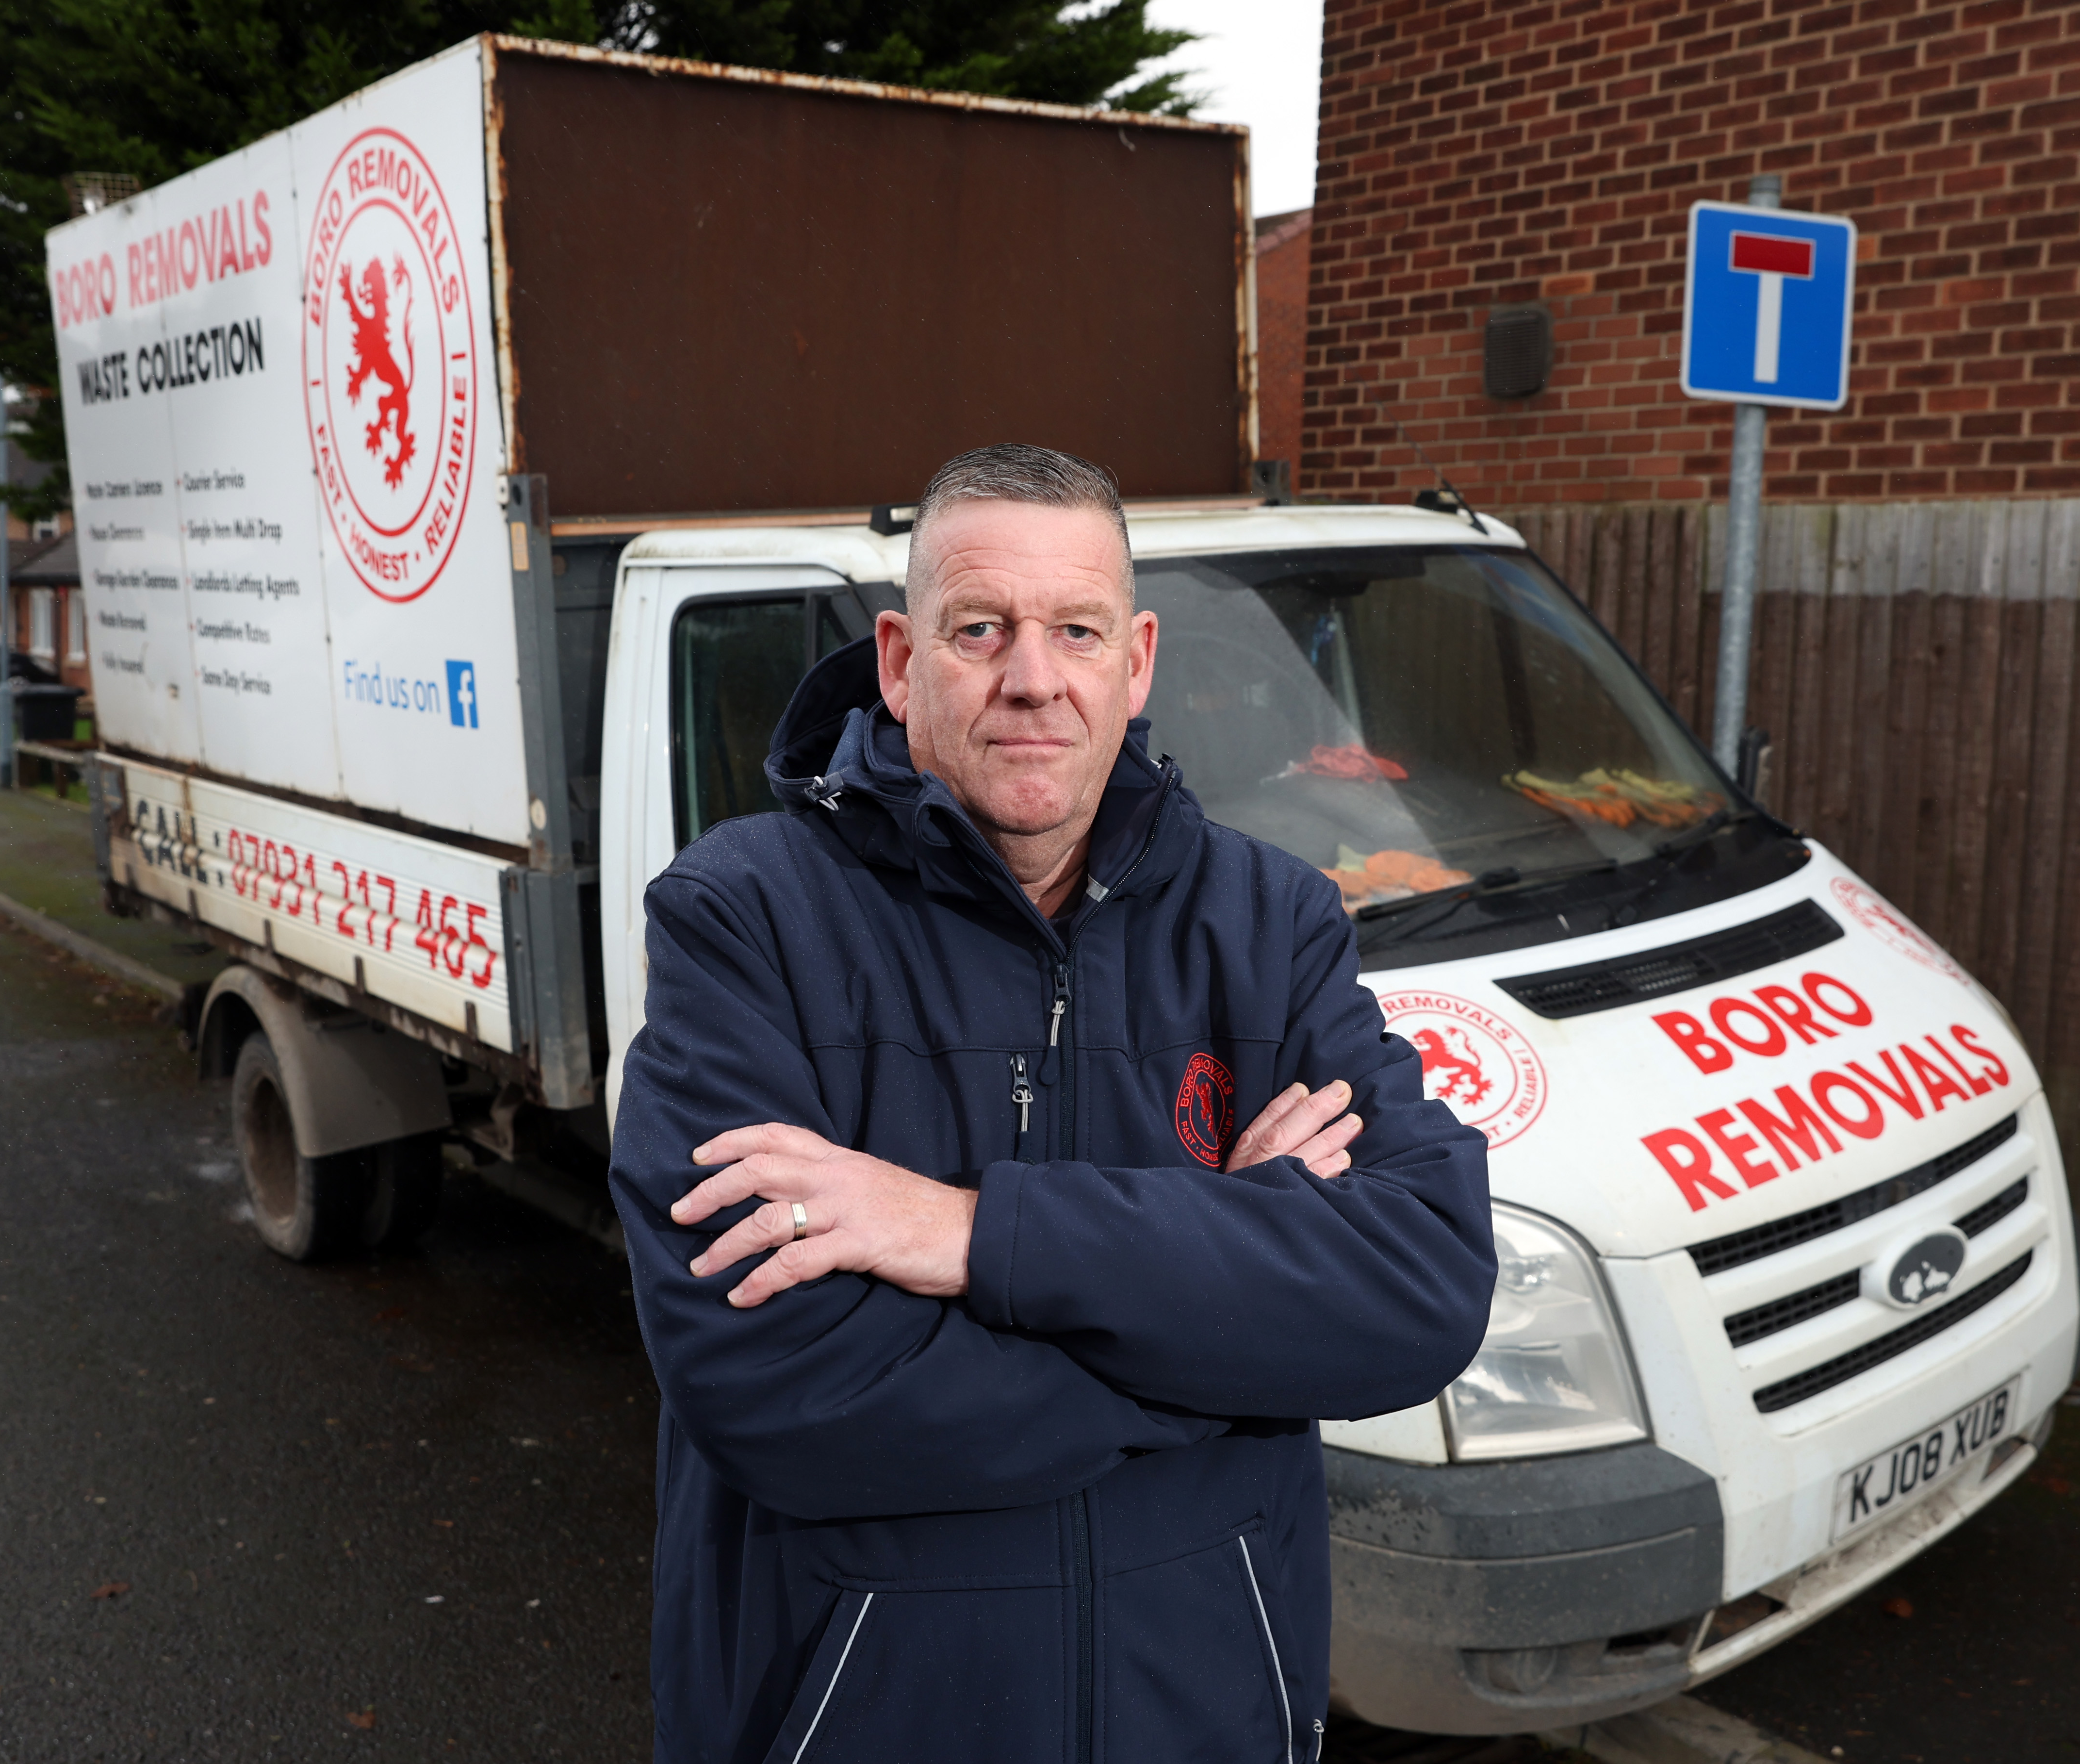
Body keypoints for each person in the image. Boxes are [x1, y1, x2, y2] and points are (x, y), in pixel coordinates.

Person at [609, 443, 1495, 1763]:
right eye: (982, 629)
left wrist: (969, 1235)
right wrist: (1233, 1336)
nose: (1033, 676)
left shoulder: (1271, 924)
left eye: (1074, 629)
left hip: (1202, 1719)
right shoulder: (745, 918)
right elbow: (774, 1382)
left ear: (1134, 661)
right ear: (903, 662)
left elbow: (1422, 1287)